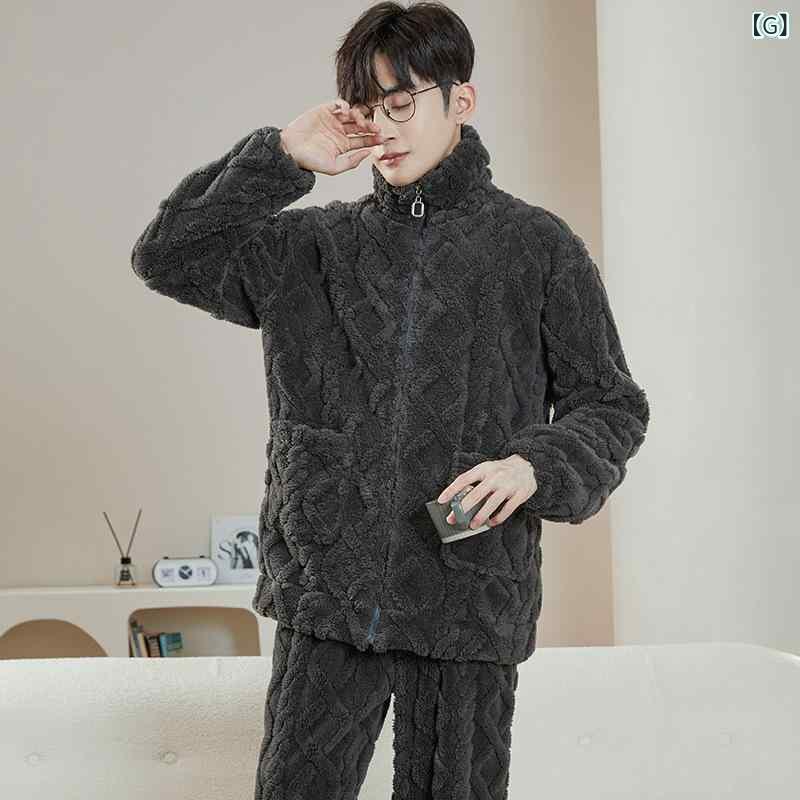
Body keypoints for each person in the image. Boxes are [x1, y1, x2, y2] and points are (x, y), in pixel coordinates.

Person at [130, 2, 650, 798]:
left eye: (401, 102)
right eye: (366, 107)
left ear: (461, 100)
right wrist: (281, 155)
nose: (383, 126)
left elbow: (611, 404)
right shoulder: (312, 247)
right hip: (328, 590)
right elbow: (168, 256)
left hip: (469, 590)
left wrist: (533, 465)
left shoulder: (537, 248)